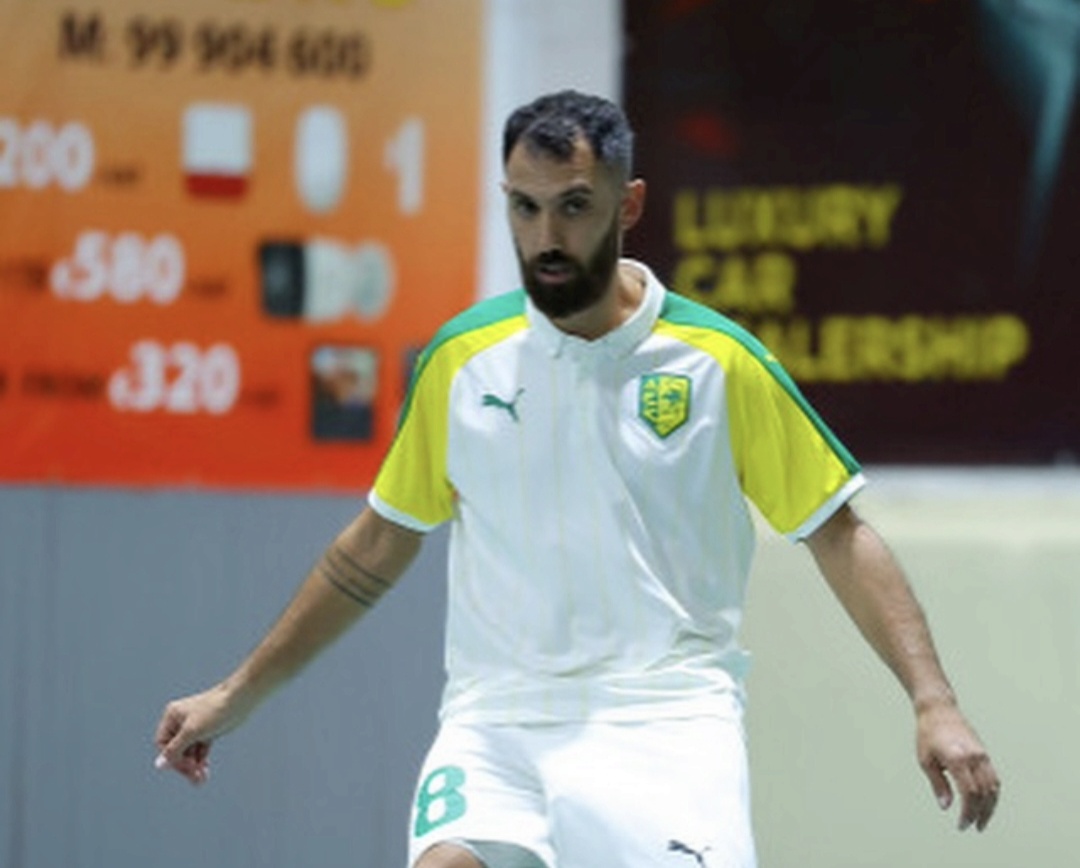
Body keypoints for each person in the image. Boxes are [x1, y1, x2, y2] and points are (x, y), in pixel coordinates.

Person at [154, 90, 1000, 867]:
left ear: (628, 205)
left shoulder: (718, 362)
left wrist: (933, 701)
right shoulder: (462, 360)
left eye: (573, 206)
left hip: (666, 725)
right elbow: (375, 546)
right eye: (524, 207)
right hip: (496, 721)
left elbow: (838, 534)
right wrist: (237, 693)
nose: (546, 237)